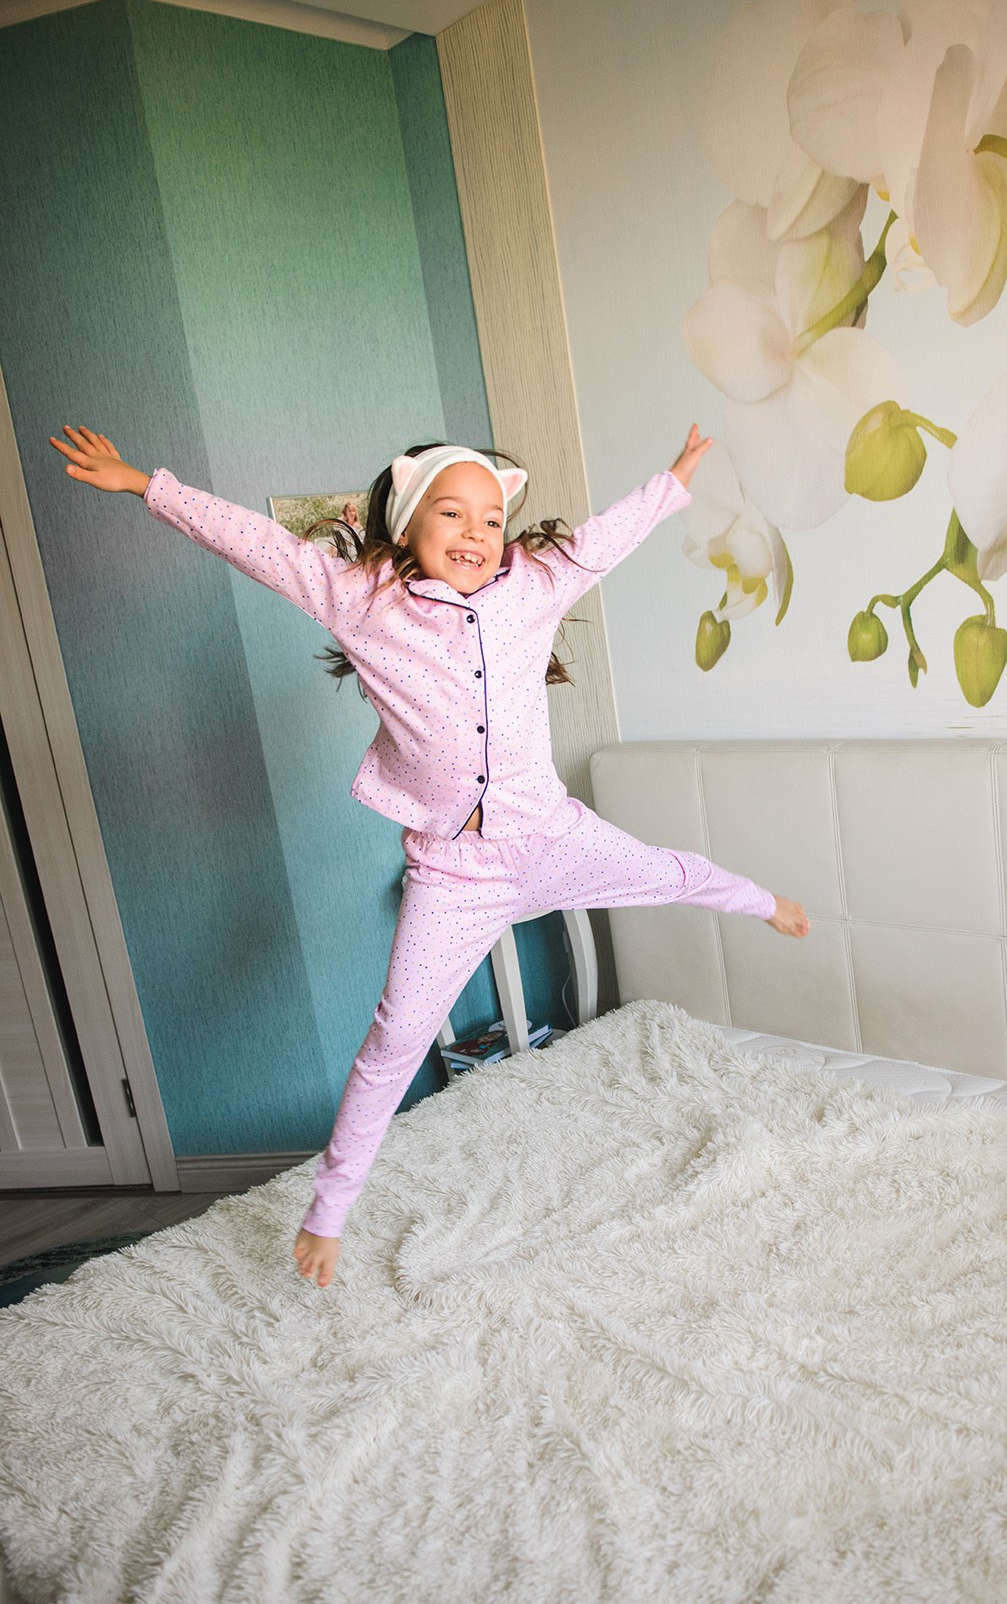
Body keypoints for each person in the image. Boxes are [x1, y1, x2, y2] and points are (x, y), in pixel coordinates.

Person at [50, 422, 811, 1290]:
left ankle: (763, 902)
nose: (476, 534)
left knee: (669, 872)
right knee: (394, 1040)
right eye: (451, 513)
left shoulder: (534, 585)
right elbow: (256, 543)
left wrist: (672, 479)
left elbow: (603, 540)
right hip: (456, 871)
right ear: (407, 525)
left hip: (552, 834)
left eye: (491, 520)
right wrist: (147, 484)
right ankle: (330, 1215)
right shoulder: (360, 600)